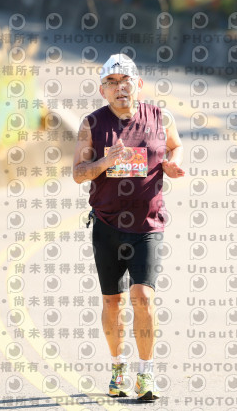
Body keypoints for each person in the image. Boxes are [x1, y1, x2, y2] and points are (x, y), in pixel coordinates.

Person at [72, 53, 185, 401]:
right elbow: (79, 174)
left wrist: (172, 164)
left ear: (138, 85)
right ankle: (118, 368)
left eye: (126, 82)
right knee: (112, 302)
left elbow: (176, 145)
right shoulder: (92, 124)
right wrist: (107, 161)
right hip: (106, 225)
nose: (120, 88)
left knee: (143, 296)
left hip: (147, 225)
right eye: (111, 83)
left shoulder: (160, 117)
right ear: (102, 90)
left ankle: (146, 375)